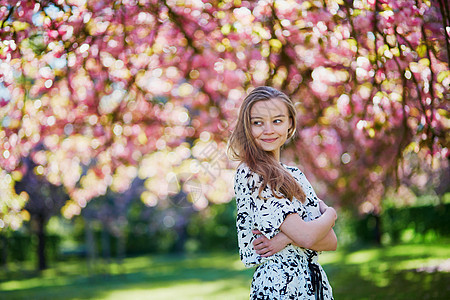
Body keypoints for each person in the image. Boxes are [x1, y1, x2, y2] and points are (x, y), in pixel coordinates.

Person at [227, 86, 337, 300]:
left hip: (313, 286)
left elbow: (330, 241)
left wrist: (285, 238)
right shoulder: (253, 174)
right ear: (246, 128)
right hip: (280, 287)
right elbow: (307, 237)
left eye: (277, 121)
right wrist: (330, 215)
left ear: (290, 125)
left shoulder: (295, 175)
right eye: (257, 122)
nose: (268, 130)